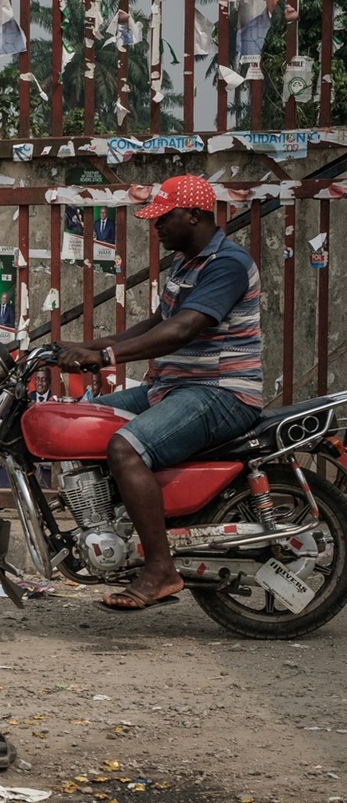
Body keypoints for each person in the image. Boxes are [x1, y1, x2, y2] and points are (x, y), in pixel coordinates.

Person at [58, 174, 263, 611]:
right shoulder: (185, 263)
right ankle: (118, 534)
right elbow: (157, 323)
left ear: (194, 215)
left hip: (221, 391)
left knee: (124, 448)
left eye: (164, 218)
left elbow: (183, 329)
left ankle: (160, 571)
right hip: (170, 387)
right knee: (78, 422)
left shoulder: (227, 263)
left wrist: (108, 356)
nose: (156, 227)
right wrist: (87, 346)